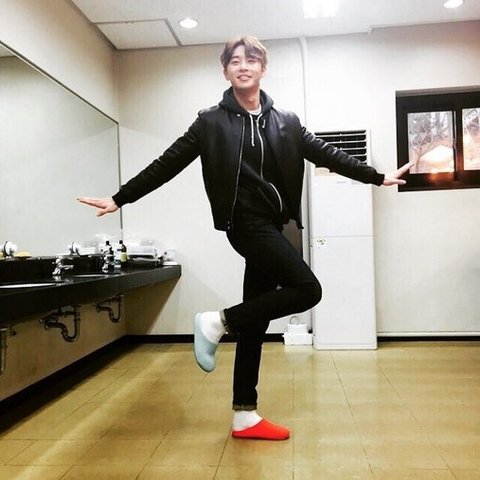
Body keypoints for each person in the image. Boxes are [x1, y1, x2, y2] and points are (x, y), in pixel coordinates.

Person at [78, 36, 412, 441]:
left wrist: (377, 176)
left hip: (274, 224)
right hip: (244, 222)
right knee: (308, 289)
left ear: (262, 69)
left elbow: (326, 153)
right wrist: (120, 198)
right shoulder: (210, 122)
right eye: (235, 61)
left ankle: (244, 414)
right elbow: (167, 163)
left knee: (256, 317)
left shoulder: (286, 121)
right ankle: (218, 321)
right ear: (226, 71)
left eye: (251, 60)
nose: (243, 66)